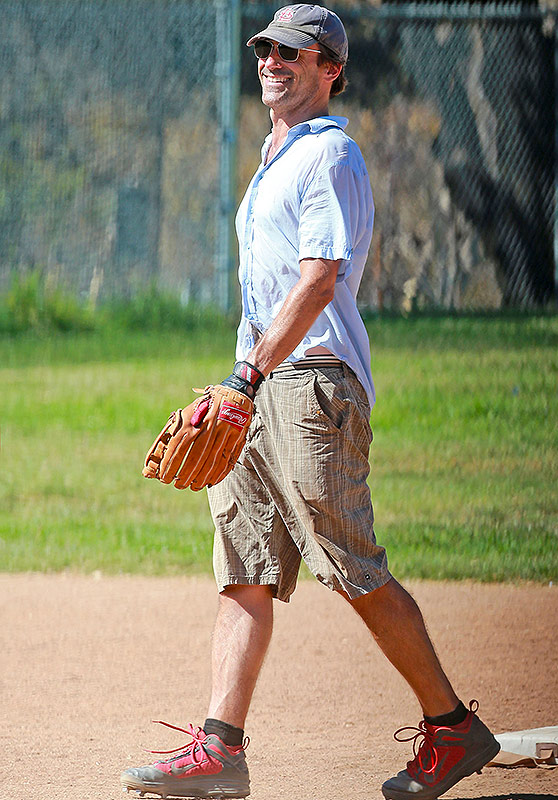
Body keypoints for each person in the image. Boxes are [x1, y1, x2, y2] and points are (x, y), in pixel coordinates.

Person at [121, 5, 500, 800]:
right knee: (245, 574)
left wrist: (247, 379)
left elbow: (319, 279)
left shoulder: (331, 155)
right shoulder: (274, 157)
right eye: (266, 47)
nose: (273, 60)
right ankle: (221, 751)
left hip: (307, 382)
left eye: (294, 51)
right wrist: (238, 381)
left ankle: (452, 727)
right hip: (253, 386)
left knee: (350, 566)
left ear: (332, 69)